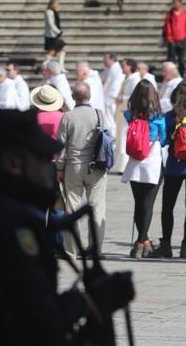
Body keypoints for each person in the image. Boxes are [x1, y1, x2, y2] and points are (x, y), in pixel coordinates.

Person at [0, 110, 135, 345]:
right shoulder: (11, 225)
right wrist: (90, 300)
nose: (48, 169)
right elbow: (39, 324)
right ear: (13, 163)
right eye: (41, 159)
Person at [56, 83, 108, 257]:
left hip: (74, 166)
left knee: (72, 207)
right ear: (90, 95)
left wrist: (59, 168)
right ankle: (95, 249)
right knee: (97, 208)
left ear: (72, 97)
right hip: (97, 166)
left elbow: (61, 147)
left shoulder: (68, 117)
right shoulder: (99, 114)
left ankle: (71, 250)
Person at [152, 79, 186, 258]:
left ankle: (166, 245)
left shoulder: (171, 116)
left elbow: (163, 140)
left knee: (168, 206)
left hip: (174, 166)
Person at [121, 80, 166, 258]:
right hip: (152, 160)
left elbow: (125, 113)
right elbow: (162, 139)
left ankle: (143, 241)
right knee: (148, 204)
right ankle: (141, 242)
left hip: (134, 162)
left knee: (139, 203)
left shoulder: (129, 114)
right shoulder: (158, 116)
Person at [111, 58, 141, 173]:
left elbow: (135, 97)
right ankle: (120, 165)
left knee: (124, 137)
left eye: (124, 66)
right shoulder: (127, 78)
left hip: (128, 112)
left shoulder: (135, 79)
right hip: (122, 111)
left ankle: (124, 165)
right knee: (120, 137)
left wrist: (121, 98)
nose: (122, 68)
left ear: (130, 66)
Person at [164, 0, 186, 78]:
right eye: (174, 2)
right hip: (172, 39)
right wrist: (169, 37)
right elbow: (167, 25)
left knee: (181, 59)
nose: (175, 4)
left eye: (176, 2)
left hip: (182, 38)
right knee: (171, 59)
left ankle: (182, 74)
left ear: (180, 3)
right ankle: (171, 75)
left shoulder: (185, 13)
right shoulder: (170, 13)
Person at [102, 53, 124, 133]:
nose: (103, 61)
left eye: (105, 59)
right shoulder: (107, 69)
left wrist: (111, 98)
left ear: (111, 59)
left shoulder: (117, 69)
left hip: (112, 99)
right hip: (106, 97)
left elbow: (116, 85)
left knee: (112, 121)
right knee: (108, 121)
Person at [44, 0, 67, 72]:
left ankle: (61, 66)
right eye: (56, 3)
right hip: (51, 35)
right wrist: (59, 32)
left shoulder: (54, 11)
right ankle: (45, 65)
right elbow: (51, 24)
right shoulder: (49, 12)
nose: (58, 5)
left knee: (62, 48)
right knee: (52, 52)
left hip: (55, 34)